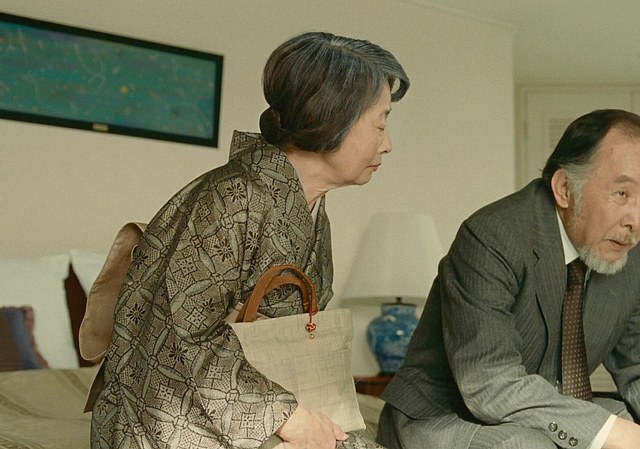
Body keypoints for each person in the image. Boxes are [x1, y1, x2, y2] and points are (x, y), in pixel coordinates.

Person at [90, 31, 409, 449]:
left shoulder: (310, 206)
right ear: (332, 117)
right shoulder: (229, 199)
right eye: (380, 123)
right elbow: (179, 339)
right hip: (167, 423)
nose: (388, 144)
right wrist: (287, 417)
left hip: (257, 408)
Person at [377, 109, 640, 449]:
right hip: (446, 413)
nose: (635, 221)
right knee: (534, 445)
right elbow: (490, 381)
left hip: (549, 411)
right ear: (564, 189)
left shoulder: (636, 255)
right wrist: (616, 434)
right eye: (622, 193)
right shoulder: (493, 236)